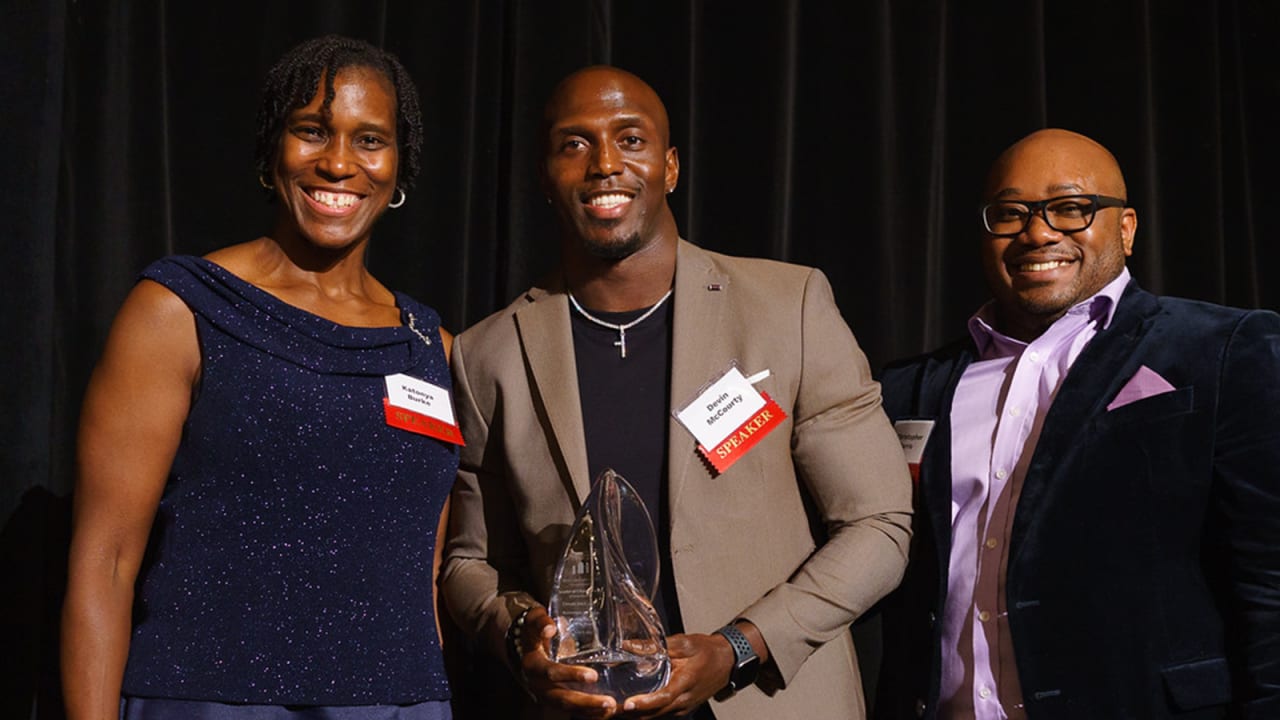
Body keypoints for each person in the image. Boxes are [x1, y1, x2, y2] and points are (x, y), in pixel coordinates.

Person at [440, 65, 913, 720]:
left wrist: (738, 647)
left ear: (670, 167)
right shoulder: (487, 353)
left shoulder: (787, 308)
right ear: (545, 178)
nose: (605, 163)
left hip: (770, 701)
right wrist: (521, 632)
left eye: (630, 139)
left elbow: (880, 525)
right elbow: (471, 564)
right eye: (574, 144)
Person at [61, 35, 459, 720]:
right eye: (312, 131)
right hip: (210, 702)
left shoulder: (433, 347)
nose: (338, 163)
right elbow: (105, 562)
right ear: (273, 148)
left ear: (401, 165)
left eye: (369, 141)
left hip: (398, 706)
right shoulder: (182, 309)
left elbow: (422, 578)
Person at [873, 128, 1280, 719]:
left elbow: (1270, 580)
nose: (1038, 232)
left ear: (1127, 228)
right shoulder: (910, 386)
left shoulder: (1220, 350)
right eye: (1010, 213)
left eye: (1070, 208)